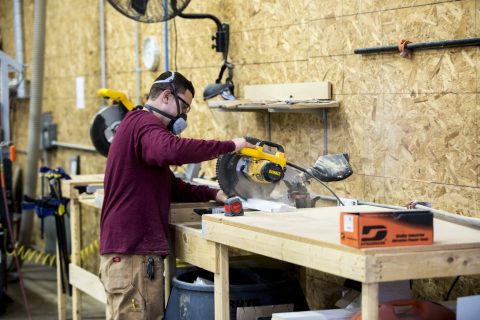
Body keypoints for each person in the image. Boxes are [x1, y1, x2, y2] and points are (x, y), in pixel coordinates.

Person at [98, 70, 253, 319]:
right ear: (167, 97)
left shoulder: (136, 127)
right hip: (133, 255)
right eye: (184, 108)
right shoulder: (144, 124)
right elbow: (172, 150)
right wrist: (230, 146)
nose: (183, 118)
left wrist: (216, 193)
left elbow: (174, 187)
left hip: (128, 253)